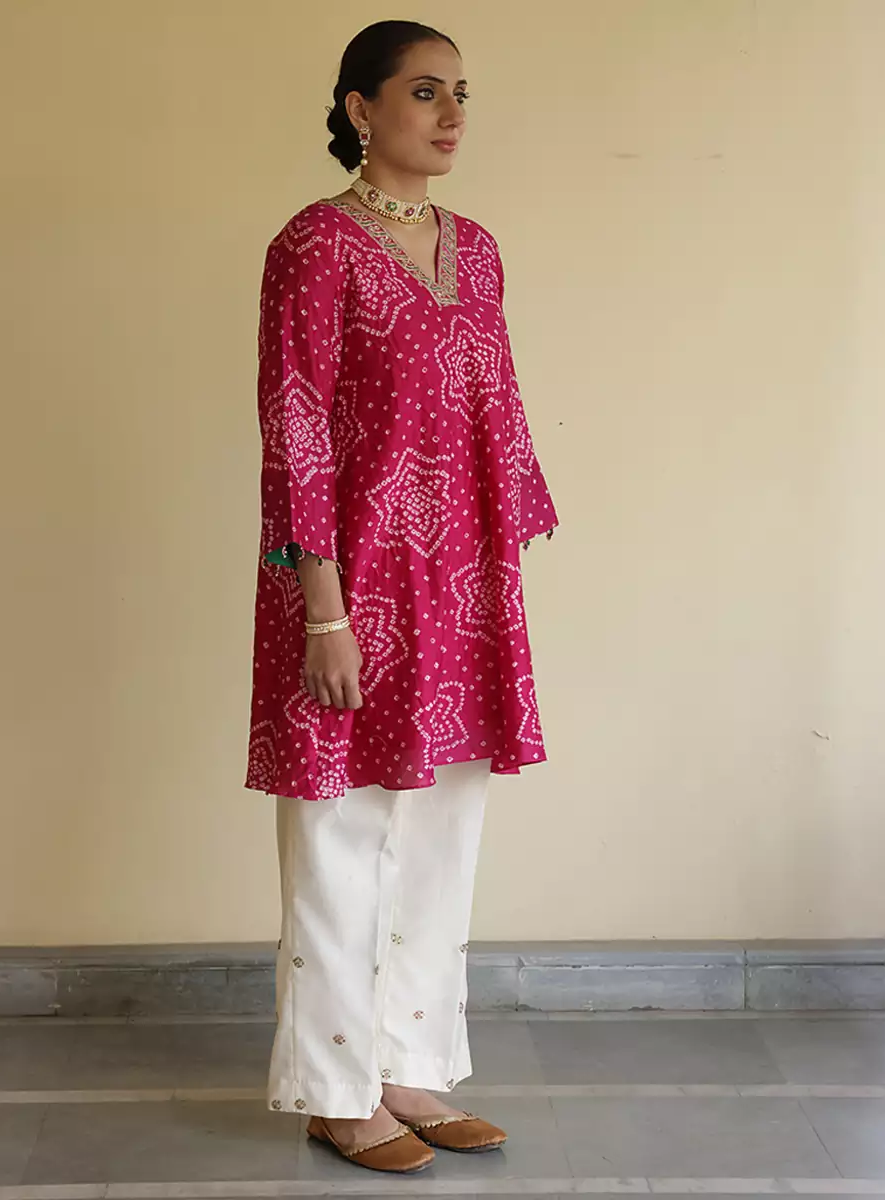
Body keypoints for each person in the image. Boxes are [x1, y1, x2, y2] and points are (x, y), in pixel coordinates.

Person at [245, 19, 557, 1174]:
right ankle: (335, 1089)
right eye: (424, 92)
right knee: (340, 835)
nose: (451, 113)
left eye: (460, 92)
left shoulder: (478, 249)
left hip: (460, 582)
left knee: (441, 828)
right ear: (360, 109)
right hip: (349, 580)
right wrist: (321, 609)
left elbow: (497, 406)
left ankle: (411, 1067)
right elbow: (295, 424)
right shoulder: (313, 245)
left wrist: (498, 579)